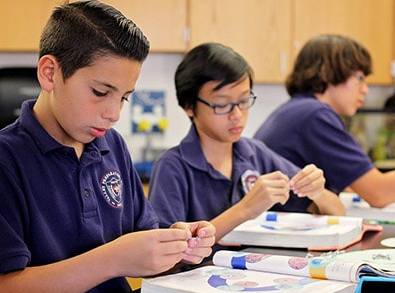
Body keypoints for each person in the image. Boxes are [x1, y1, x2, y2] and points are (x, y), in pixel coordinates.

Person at [0, 1, 215, 293]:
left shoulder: (112, 146)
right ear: (50, 73)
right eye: (100, 92)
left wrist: (177, 246)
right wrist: (113, 259)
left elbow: (141, 243)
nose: (114, 113)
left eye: (124, 97)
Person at [148, 42, 345, 242]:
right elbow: (165, 256)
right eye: (223, 104)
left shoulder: (256, 154)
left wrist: (318, 192)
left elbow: (338, 213)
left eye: (243, 101)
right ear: (189, 107)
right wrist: (245, 209)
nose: (237, 115)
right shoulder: (172, 167)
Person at [253, 34, 395, 208]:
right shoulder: (315, 115)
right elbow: (379, 193)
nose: (365, 89)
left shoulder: (298, 109)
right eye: (359, 78)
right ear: (327, 74)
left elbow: (356, 188)